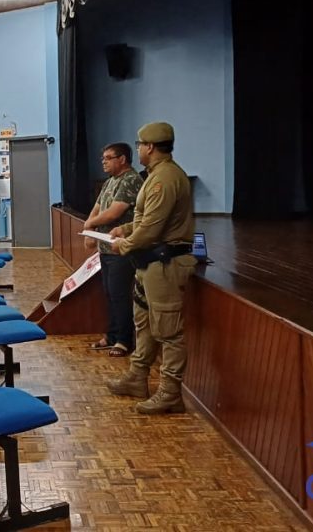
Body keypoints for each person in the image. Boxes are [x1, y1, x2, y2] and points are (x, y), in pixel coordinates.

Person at [106, 122, 197, 414]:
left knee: (168, 331)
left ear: (150, 147)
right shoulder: (156, 176)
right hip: (150, 263)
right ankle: (137, 377)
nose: (138, 150)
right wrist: (126, 228)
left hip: (164, 263)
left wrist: (126, 244)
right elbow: (147, 220)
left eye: (139, 145)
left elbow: (153, 228)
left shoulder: (164, 179)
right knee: (143, 323)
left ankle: (170, 393)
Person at [84, 143, 143, 357]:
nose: (104, 161)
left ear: (123, 159)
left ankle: (125, 341)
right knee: (109, 294)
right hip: (106, 248)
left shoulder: (131, 180)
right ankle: (112, 335)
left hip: (122, 249)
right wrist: (89, 227)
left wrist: (90, 225)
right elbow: (98, 207)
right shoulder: (110, 182)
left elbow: (113, 214)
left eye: (109, 158)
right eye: (103, 158)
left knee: (119, 295)